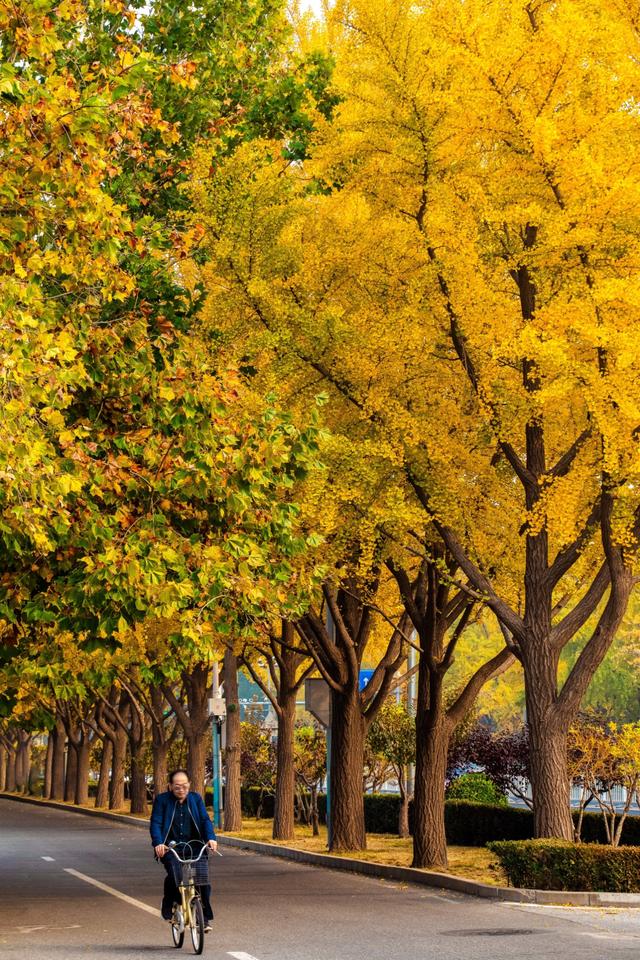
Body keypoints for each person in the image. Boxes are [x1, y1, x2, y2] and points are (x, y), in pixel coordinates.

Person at [150, 769, 218, 931]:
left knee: (203, 882)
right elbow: (156, 823)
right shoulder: (162, 800)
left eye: (184, 786)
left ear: (189, 785)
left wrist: (211, 838)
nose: (181, 789)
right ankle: (169, 902)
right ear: (170, 786)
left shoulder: (196, 799)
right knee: (176, 876)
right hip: (170, 848)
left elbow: (204, 820)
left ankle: (204, 919)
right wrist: (158, 843)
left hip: (195, 846)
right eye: (177, 786)